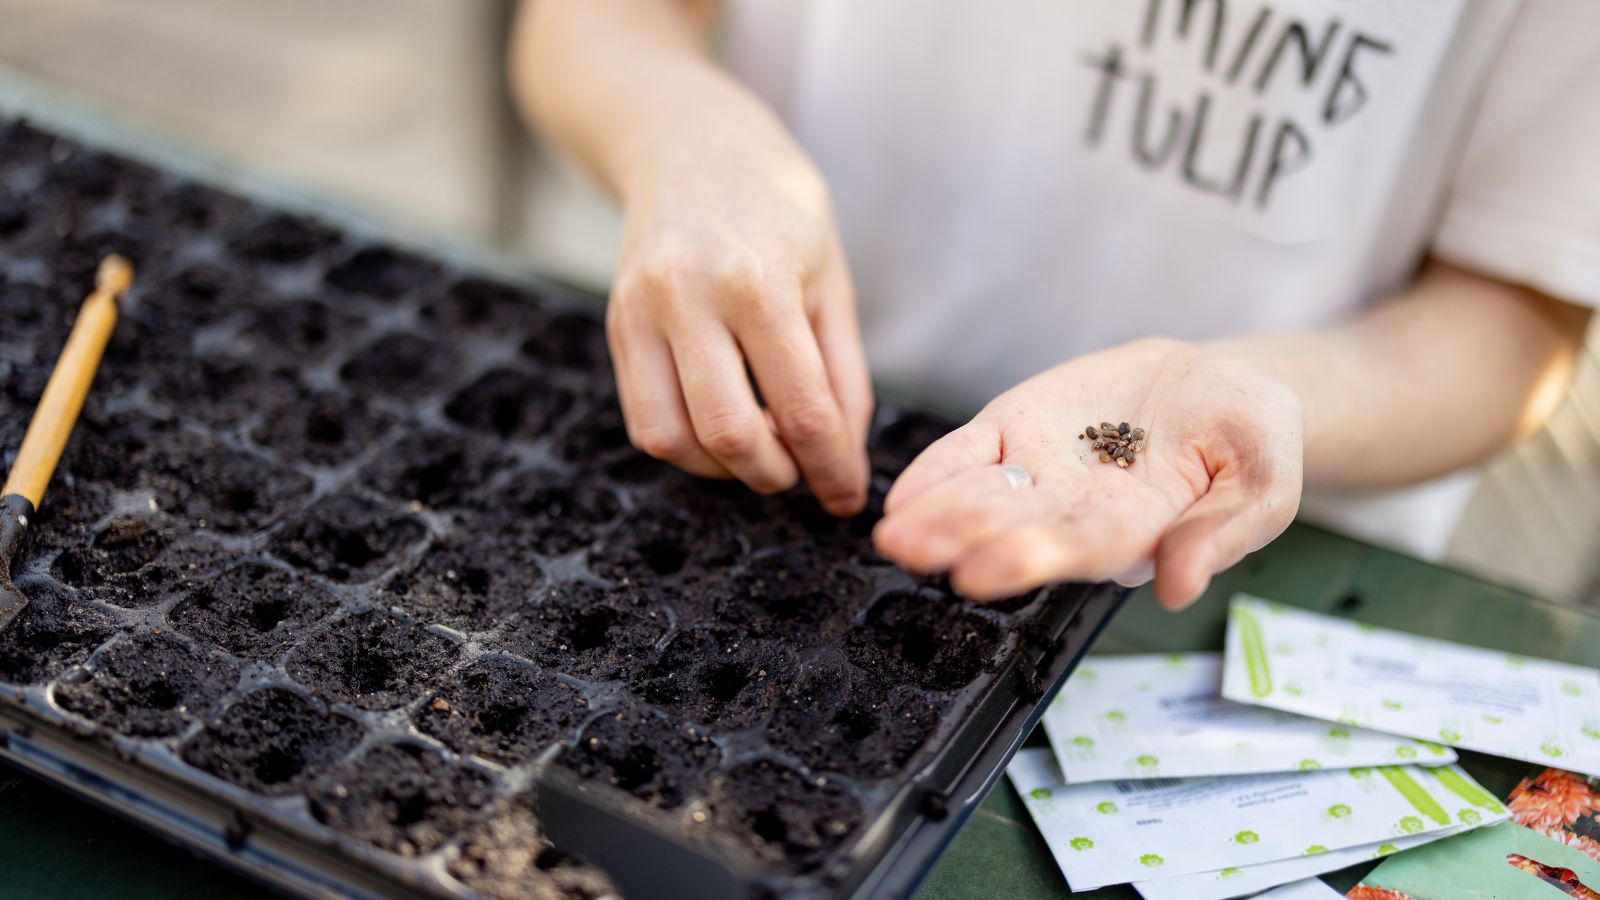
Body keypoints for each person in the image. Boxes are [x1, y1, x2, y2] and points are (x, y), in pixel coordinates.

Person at [508, 0, 1598, 610]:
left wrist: (1263, 394)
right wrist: (686, 143)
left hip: (1268, 553)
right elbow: (596, 23)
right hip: (794, 432)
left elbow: (1509, 331)